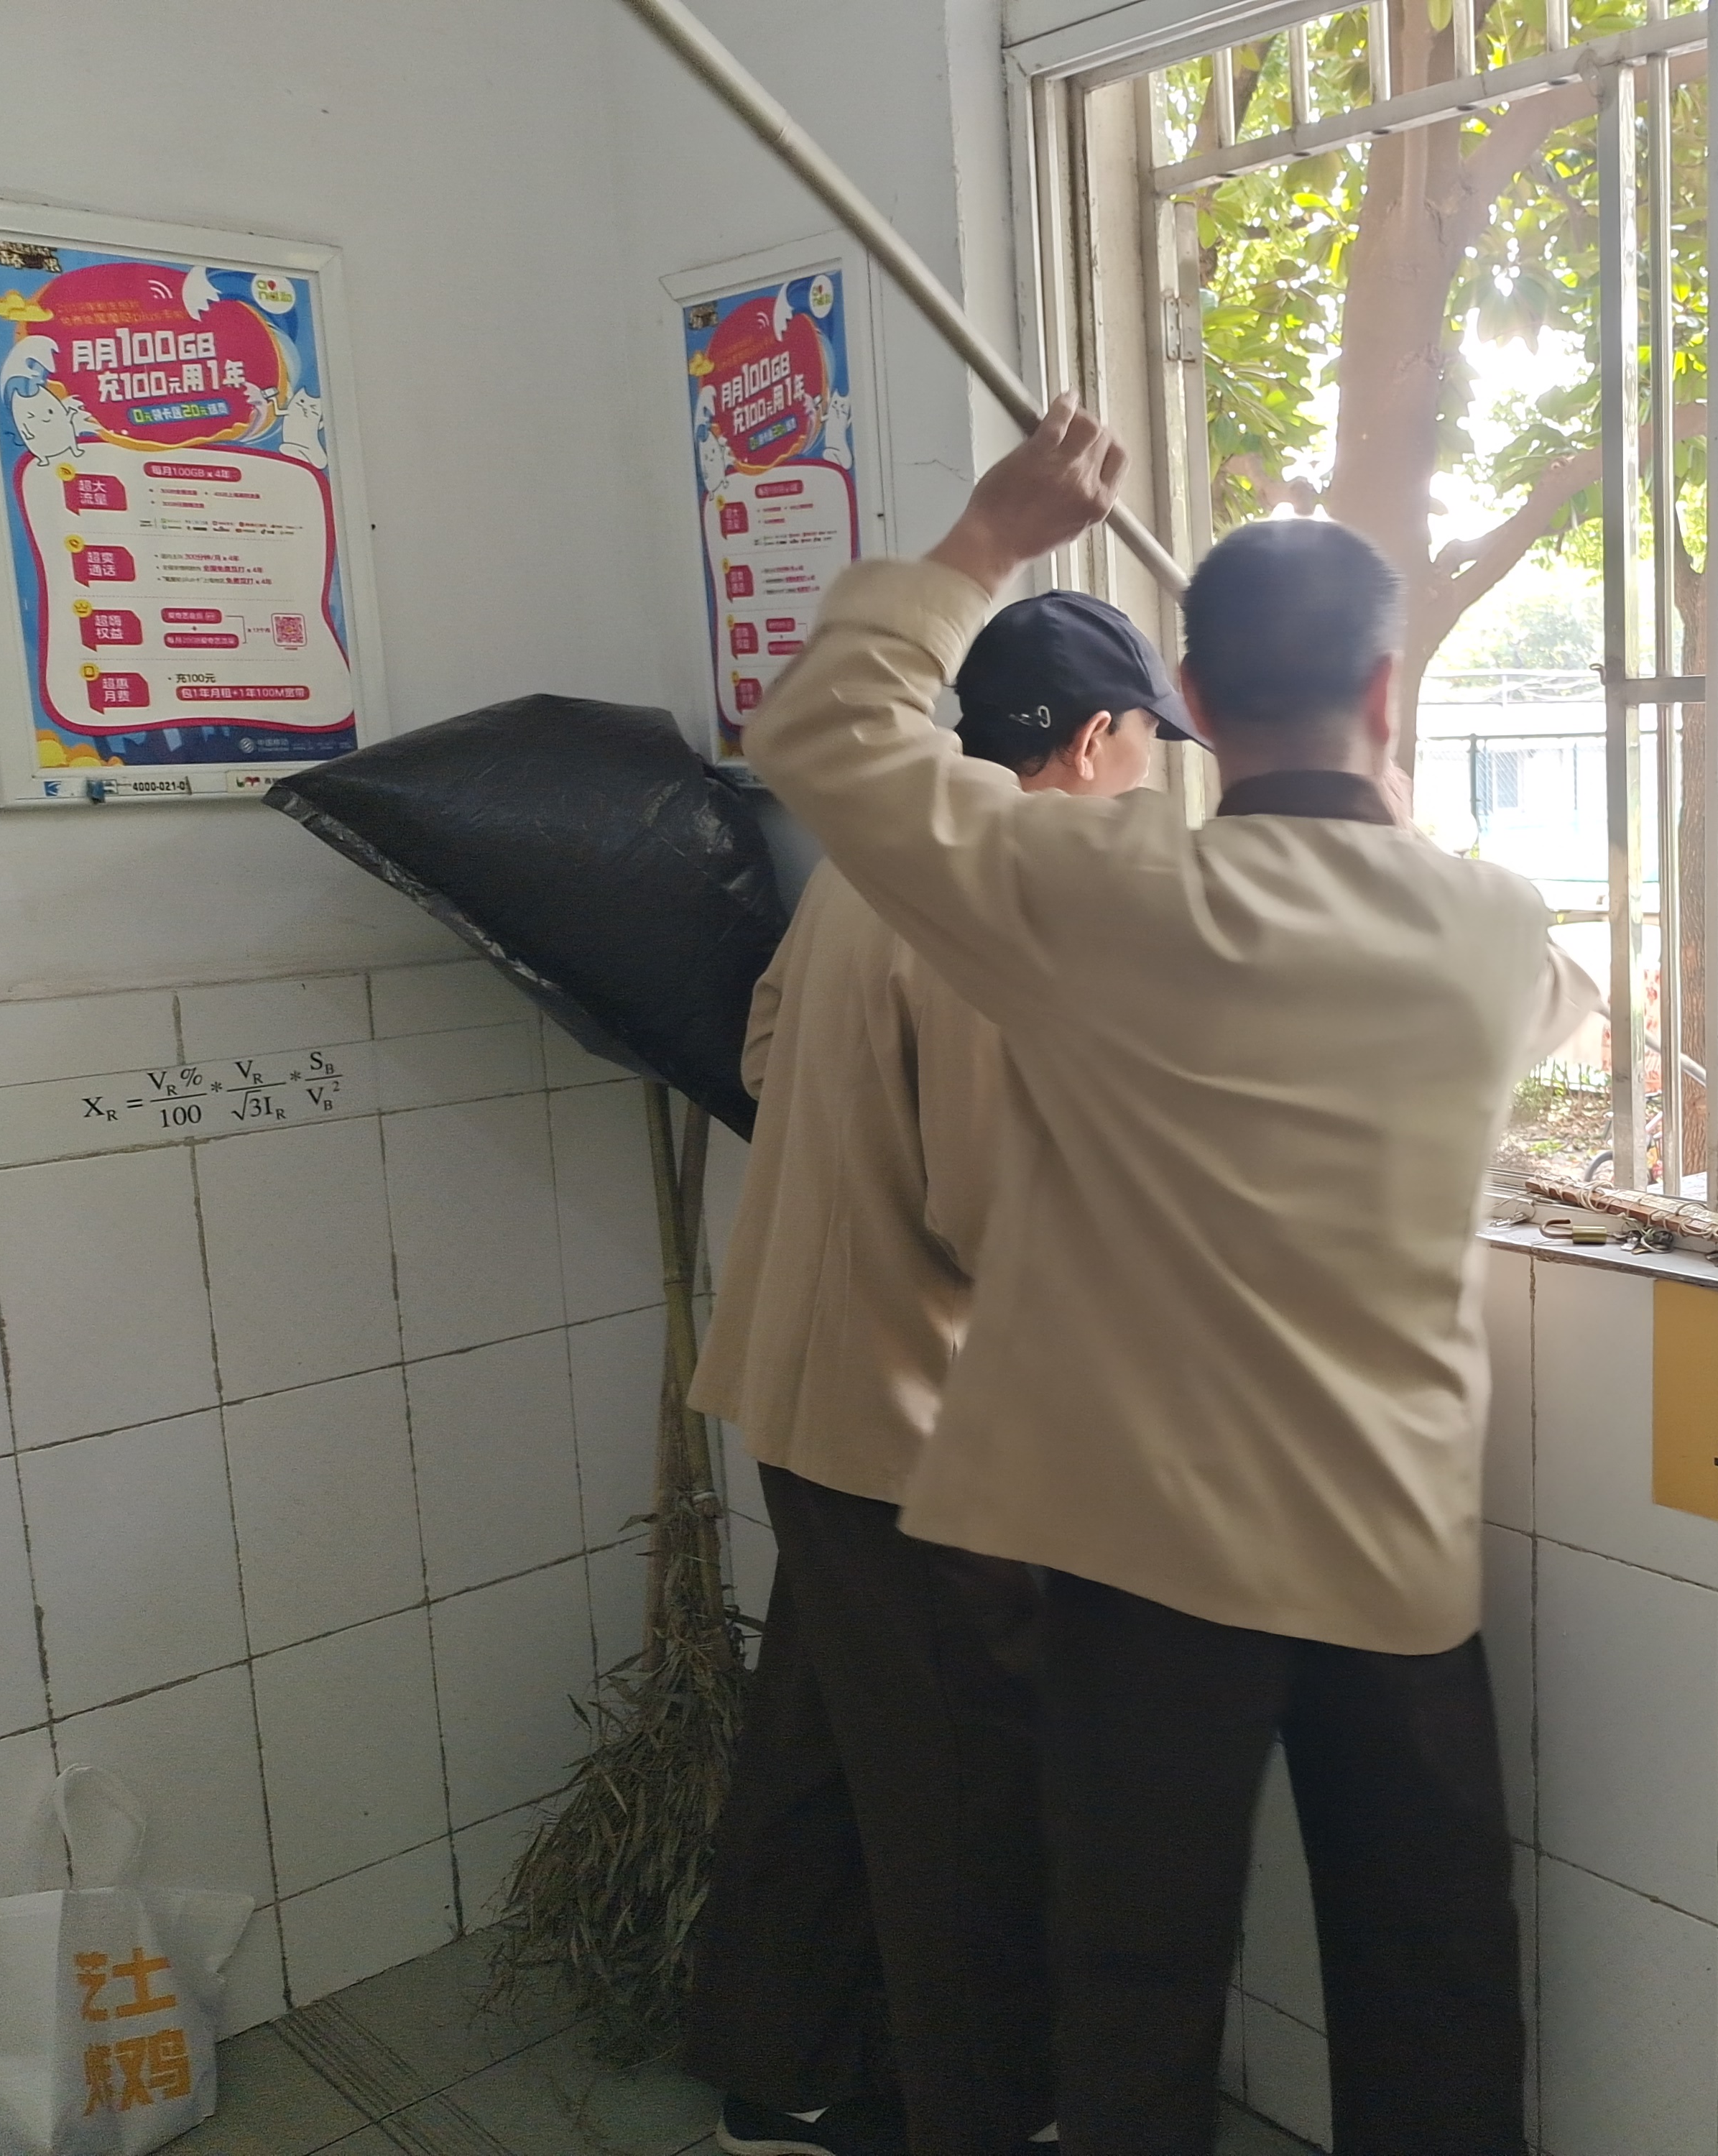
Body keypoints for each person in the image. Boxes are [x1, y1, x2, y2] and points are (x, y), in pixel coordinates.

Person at [741, 396, 1601, 2156]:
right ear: (1384, 696)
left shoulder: (1099, 894)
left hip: (1144, 1561)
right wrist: (1396, 829)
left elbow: (827, 731)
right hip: (1387, 1550)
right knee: (1434, 1976)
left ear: (1193, 700)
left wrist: (988, 540)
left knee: (1130, 1991)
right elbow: (1559, 1012)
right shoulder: (1493, 927)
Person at [679, 590, 1200, 2156]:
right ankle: (998, 2115)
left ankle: (776, 2073)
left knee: (824, 1748)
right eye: (1147, 745)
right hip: (921, 1430)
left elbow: (766, 1055)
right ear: (1093, 740)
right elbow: (998, 1209)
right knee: (975, 1797)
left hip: (800, 1388)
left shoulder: (875, 855)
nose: (1149, 778)